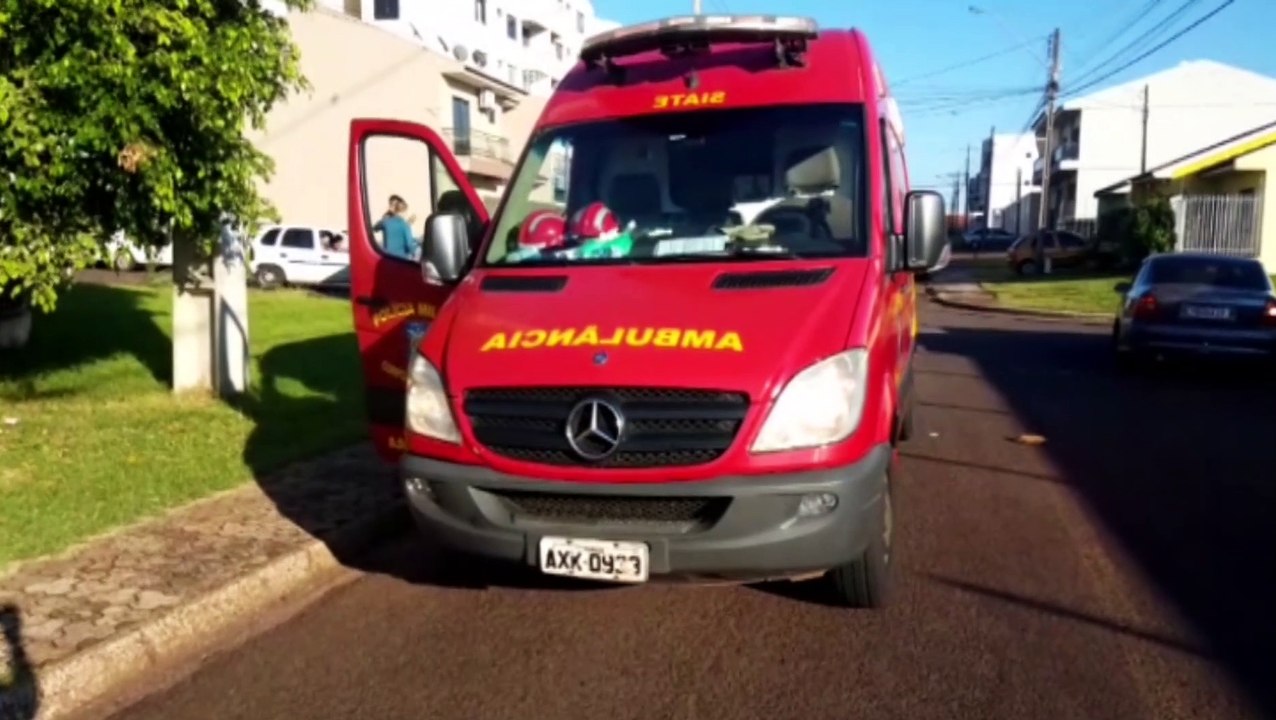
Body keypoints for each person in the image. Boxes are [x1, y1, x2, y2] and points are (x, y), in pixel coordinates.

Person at [373, 194, 418, 260]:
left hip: (387, 259)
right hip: (401, 261)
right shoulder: (405, 225)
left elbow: (375, 228)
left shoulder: (385, 222)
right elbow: (409, 246)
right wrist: (415, 250)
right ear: (403, 211)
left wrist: (386, 216)